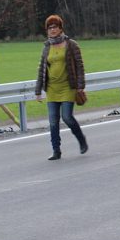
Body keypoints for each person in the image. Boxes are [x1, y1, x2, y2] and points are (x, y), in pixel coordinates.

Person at [35, 15, 88, 160]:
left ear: (60, 28)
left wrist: (80, 86)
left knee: (67, 117)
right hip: (52, 89)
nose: (52, 30)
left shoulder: (71, 45)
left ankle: (81, 140)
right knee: (53, 121)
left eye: (55, 27)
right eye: (49, 28)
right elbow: (41, 69)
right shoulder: (47, 47)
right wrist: (38, 90)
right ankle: (56, 150)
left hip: (68, 87)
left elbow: (80, 66)